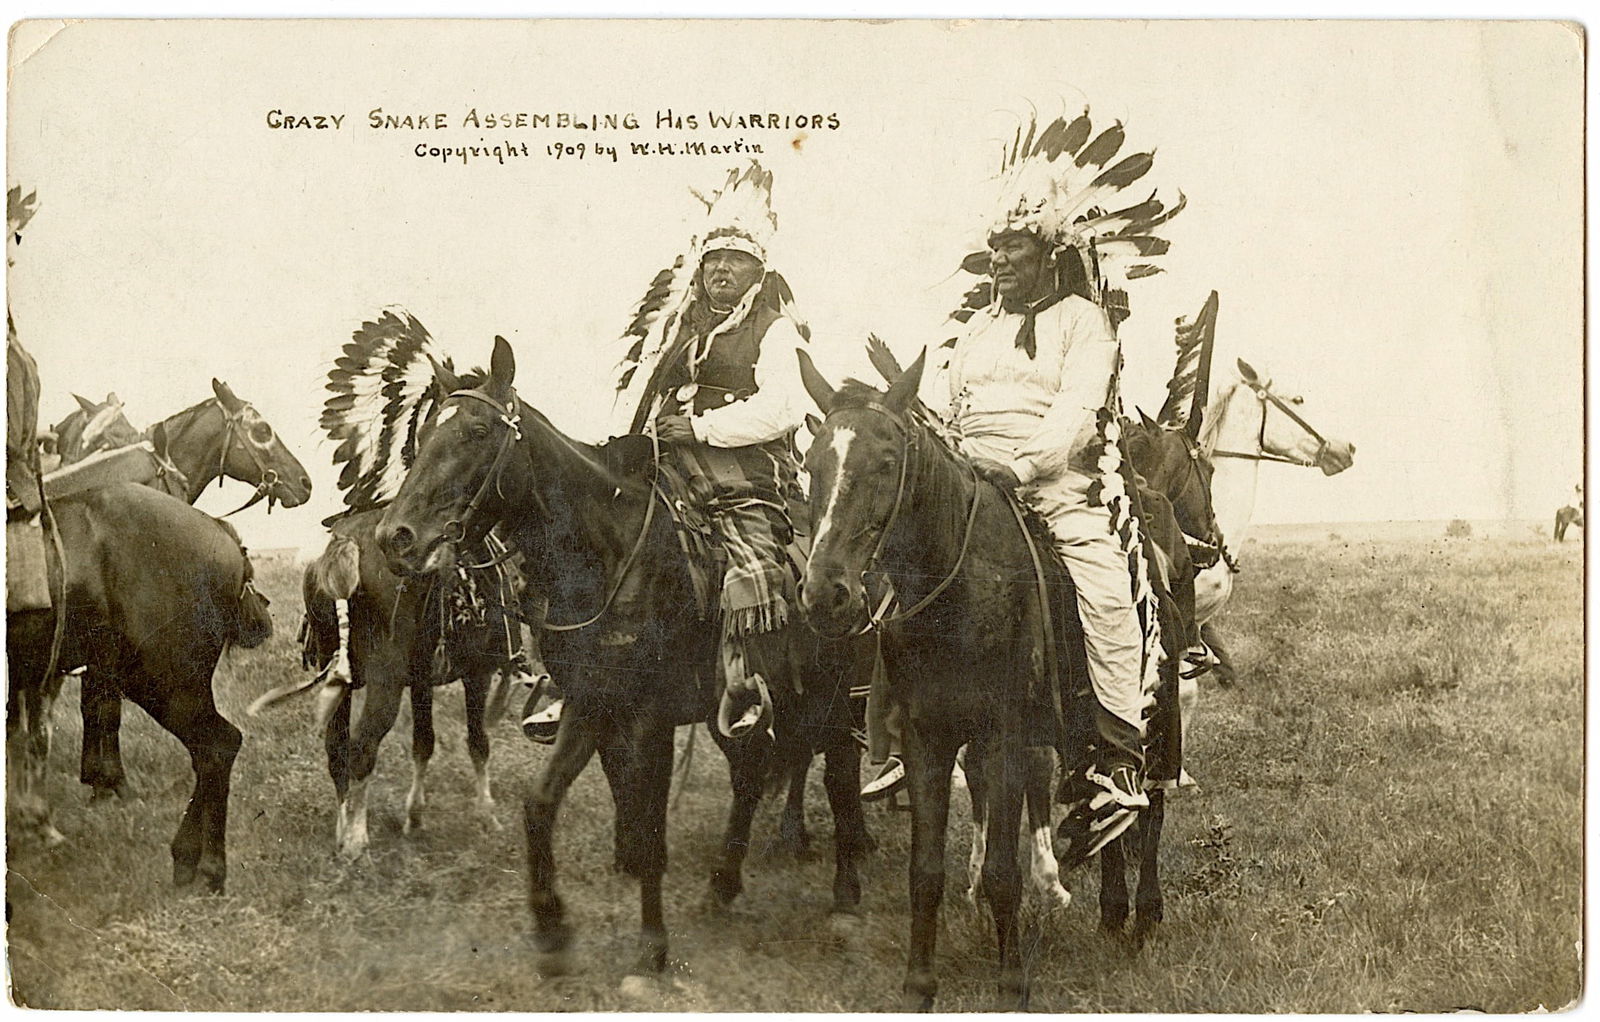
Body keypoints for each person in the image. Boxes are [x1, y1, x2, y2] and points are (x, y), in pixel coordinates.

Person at [926, 112, 1182, 861]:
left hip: (1056, 488)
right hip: (970, 486)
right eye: (995, 249)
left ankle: (1115, 756)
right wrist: (946, 458)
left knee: (1107, 588)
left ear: (1049, 254)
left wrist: (1023, 466)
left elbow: (1076, 413)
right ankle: (902, 733)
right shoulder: (975, 329)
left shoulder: (1085, 323)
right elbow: (954, 408)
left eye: (1014, 249)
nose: (1000, 261)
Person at [529, 162, 809, 741]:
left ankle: (746, 681)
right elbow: (640, 392)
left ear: (760, 271)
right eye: (712, 260)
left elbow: (783, 409)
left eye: (735, 260)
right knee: (592, 524)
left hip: (745, 471)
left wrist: (702, 428)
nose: (720, 270)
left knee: (750, 560)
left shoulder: (776, 330)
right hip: (666, 457)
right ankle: (567, 674)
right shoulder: (679, 329)